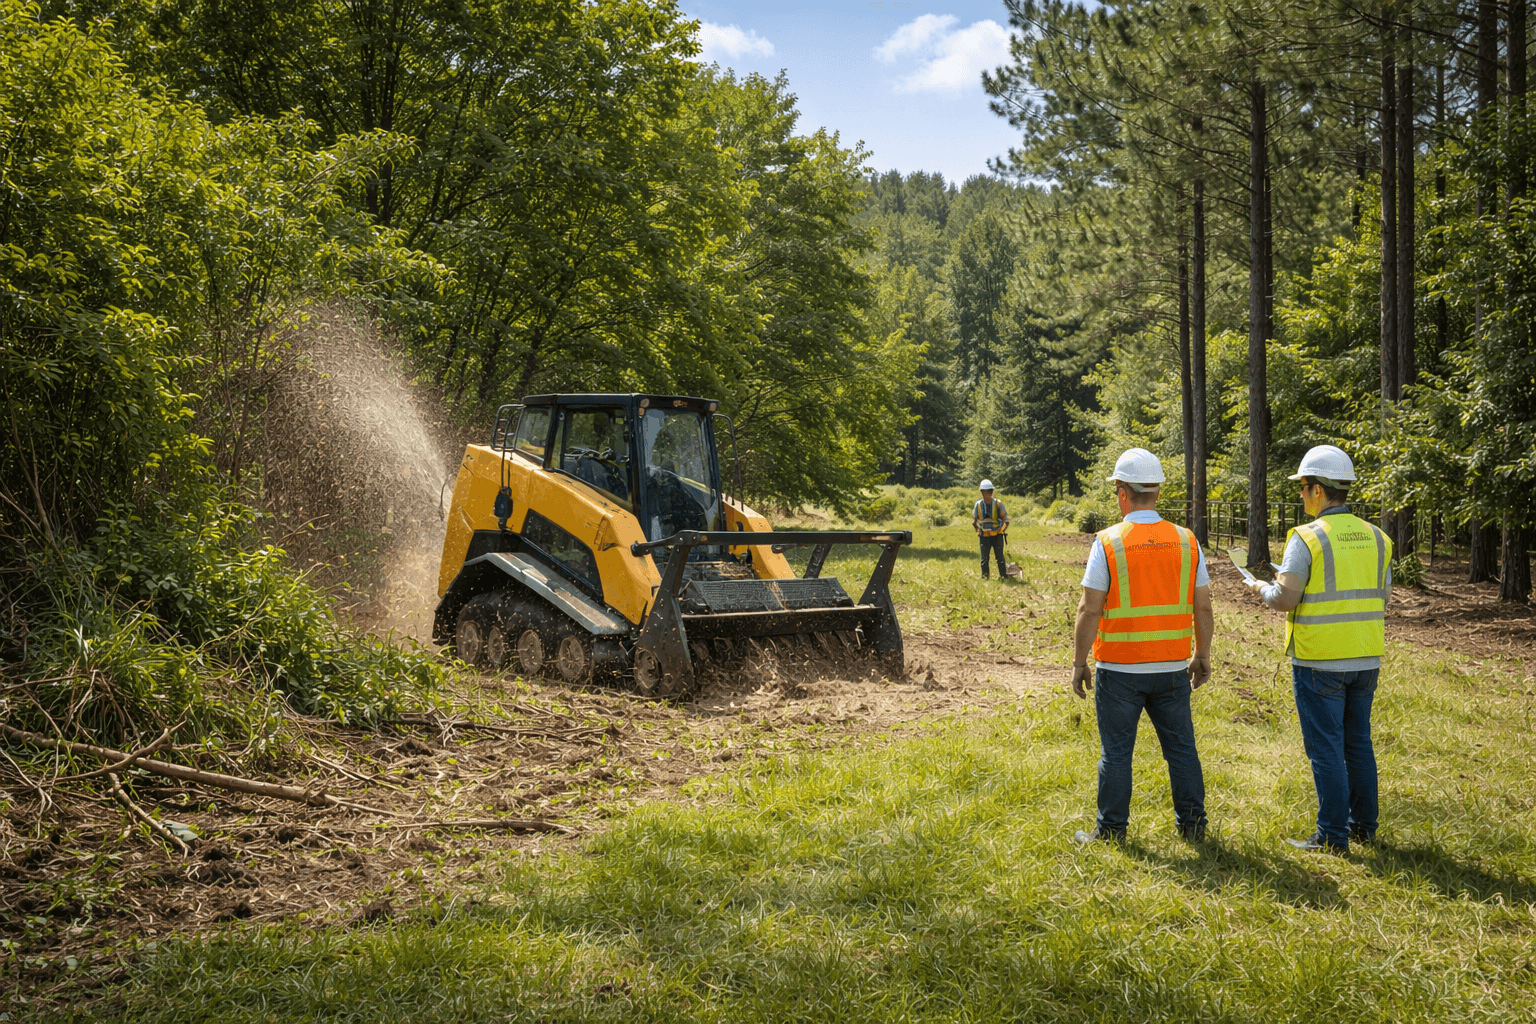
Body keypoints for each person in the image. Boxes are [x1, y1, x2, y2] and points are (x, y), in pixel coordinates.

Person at [1243, 445, 1391, 854]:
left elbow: (1285, 599)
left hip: (1319, 662)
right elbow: (1381, 594)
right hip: (1365, 658)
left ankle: (1332, 835)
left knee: (1325, 749)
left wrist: (1260, 588)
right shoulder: (1379, 537)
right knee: (1358, 743)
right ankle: (1363, 826)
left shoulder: (1306, 538)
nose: (1302, 495)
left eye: (1303, 488)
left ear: (1318, 490)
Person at [1071, 448, 1214, 844]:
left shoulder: (1108, 542)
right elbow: (1202, 604)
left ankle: (1112, 830)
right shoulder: (1187, 541)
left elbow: (1089, 607)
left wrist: (1078, 662)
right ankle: (1193, 826)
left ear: (1122, 493)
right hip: (1172, 668)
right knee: (1182, 751)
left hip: (1119, 669)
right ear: (1155, 493)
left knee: (1116, 753)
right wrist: (1201, 654)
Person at [973, 480, 1011, 580]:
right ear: (981, 492)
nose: (987, 494)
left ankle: (1003, 576)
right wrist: (978, 531)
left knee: (1000, 558)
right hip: (984, 536)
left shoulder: (999, 504)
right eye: (985, 492)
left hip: (997, 535)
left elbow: (1006, 520)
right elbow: (974, 521)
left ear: (992, 491)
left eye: (989, 491)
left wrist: (1001, 530)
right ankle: (985, 577)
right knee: (984, 558)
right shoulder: (978, 505)